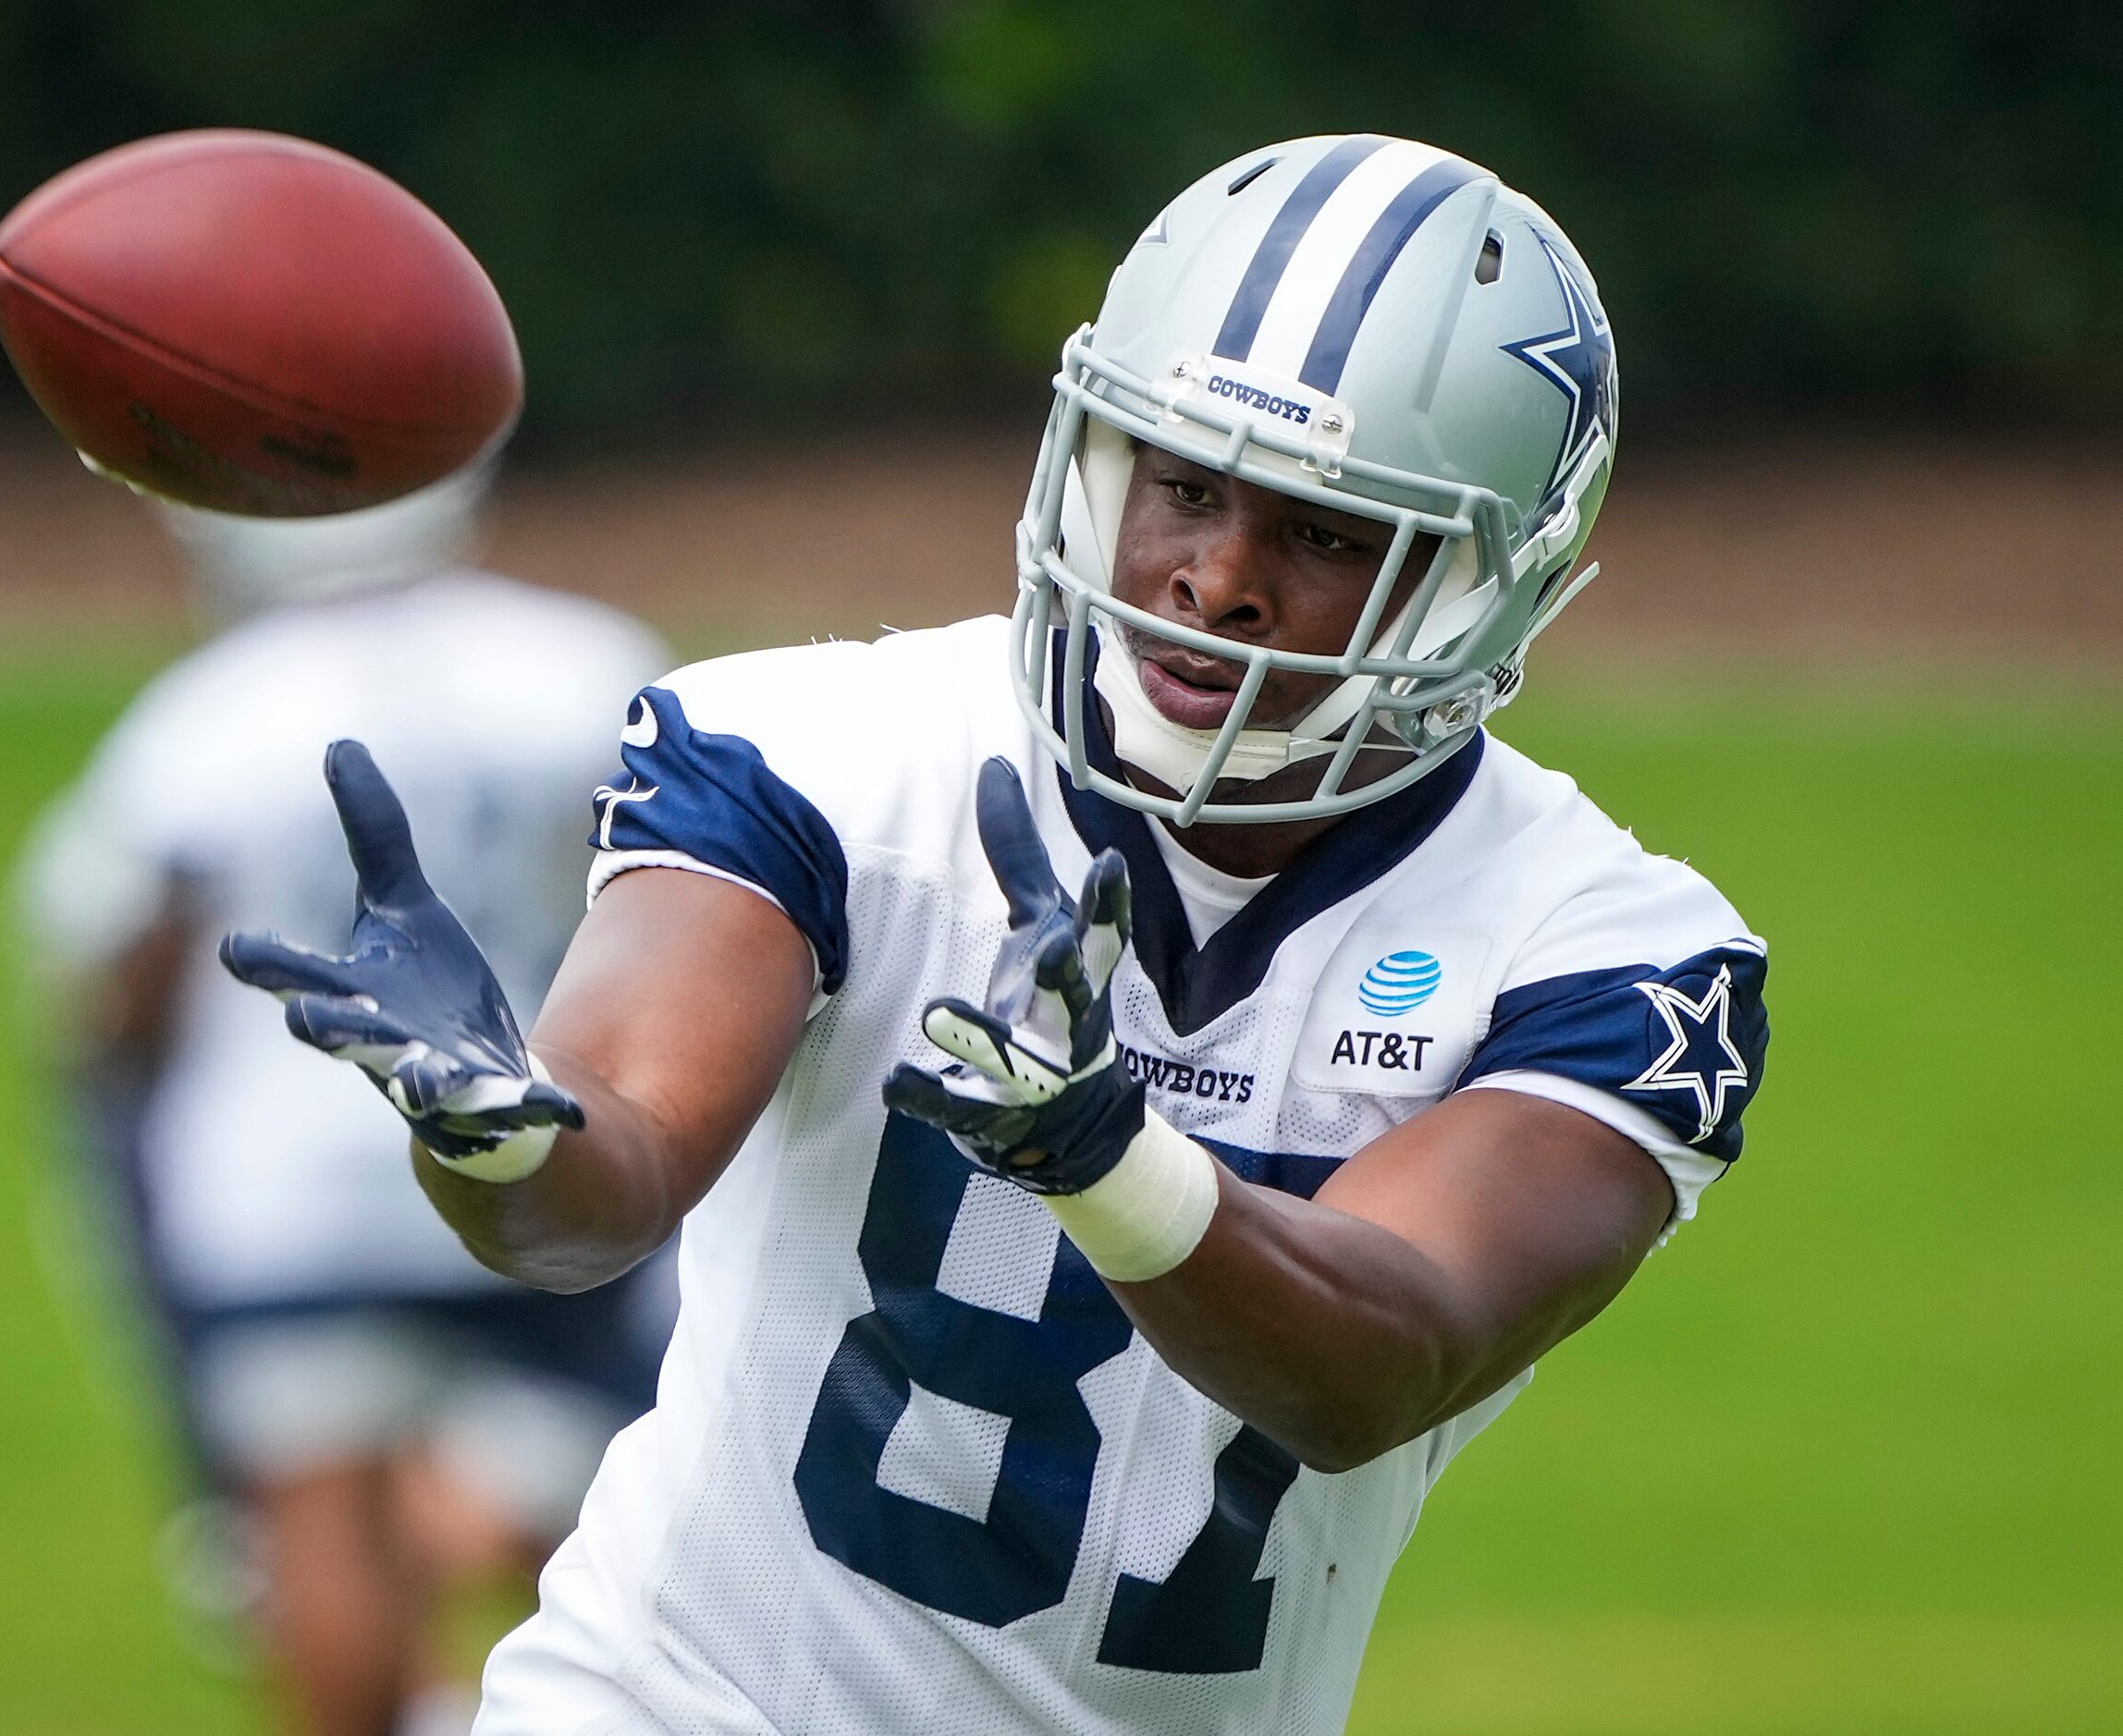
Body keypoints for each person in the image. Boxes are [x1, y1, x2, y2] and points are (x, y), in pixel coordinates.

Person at [224, 134, 1770, 1735]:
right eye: (1181, 481)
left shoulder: (1602, 950)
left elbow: (1375, 1361)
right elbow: (594, 1196)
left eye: (1322, 532)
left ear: (1482, 577)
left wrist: (1106, 1154)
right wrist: (492, 1133)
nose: (1214, 576)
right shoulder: (820, 750)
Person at [11, 459, 674, 1736]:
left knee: (312, 1518)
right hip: (529, 1148)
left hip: (279, 1178)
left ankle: (402, 1570)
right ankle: (443, 1539)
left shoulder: (202, 716)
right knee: (617, 1528)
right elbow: (659, 899)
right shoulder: (584, 665)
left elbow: (112, 983)